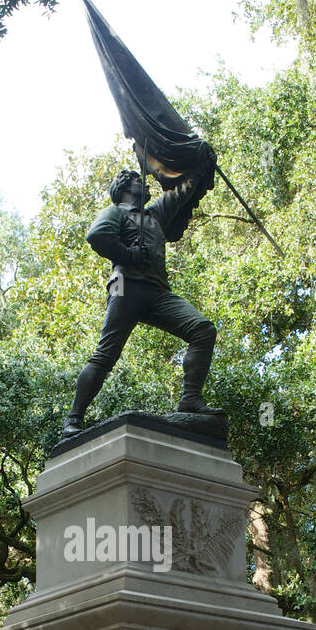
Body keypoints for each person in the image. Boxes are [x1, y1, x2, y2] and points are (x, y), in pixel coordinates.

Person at [62, 147, 221, 437]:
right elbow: (97, 235)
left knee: (203, 330)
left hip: (157, 291)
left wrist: (203, 166)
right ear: (125, 188)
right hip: (125, 286)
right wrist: (129, 254)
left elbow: (183, 191)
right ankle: (73, 419)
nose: (145, 184)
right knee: (106, 354)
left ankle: (190, 399)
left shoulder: (155, 214)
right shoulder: (116, 212)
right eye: (138, 181)